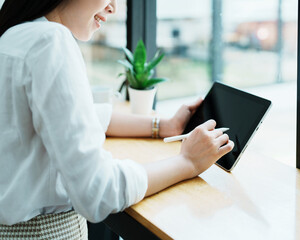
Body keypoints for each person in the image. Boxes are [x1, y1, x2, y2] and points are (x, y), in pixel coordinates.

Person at [0, 0, 234, 239]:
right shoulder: (49, 41)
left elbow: (84, 116)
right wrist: (188, 162)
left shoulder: (13, 37)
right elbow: (97, 191)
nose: (113, 7)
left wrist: (164, 126)